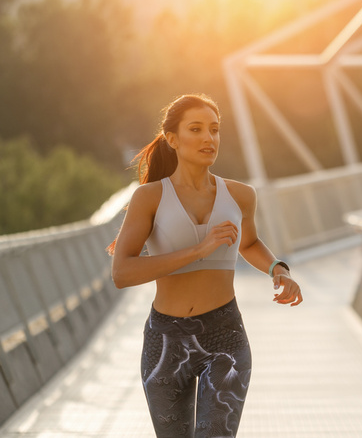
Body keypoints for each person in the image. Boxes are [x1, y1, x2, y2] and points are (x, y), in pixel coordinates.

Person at [107, 93, 302, 437]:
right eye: (195, 129)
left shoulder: (241, 195)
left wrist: (279, 271)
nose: (208, 138)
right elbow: (122, 273)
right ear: (172, 139)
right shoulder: (149, 197)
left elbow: (251, 243)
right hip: (165, 342)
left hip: (225, 336)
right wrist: (199, 250)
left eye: (214, 130)